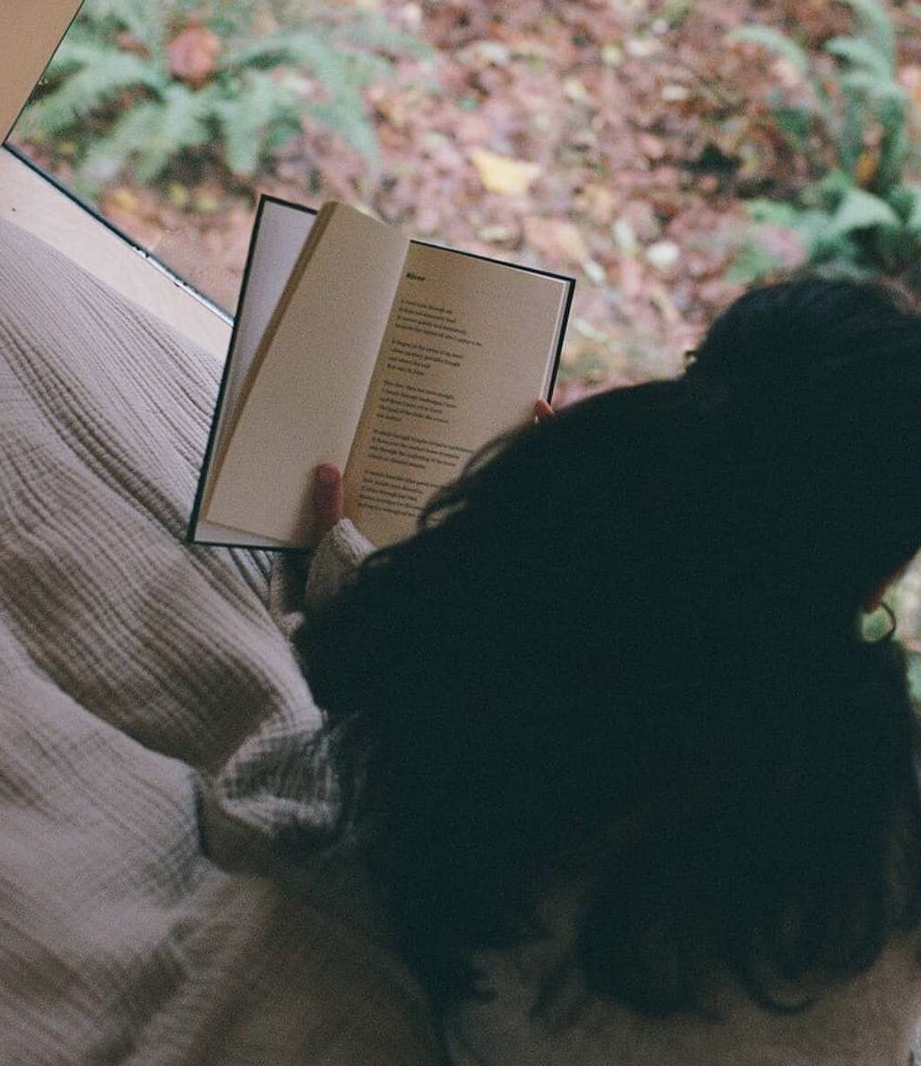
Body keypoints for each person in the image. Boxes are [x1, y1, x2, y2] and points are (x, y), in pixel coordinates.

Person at [291, 275, 921, 1065]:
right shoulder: (880, 772)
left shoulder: (544, 637)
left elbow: (376, 666)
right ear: (884, 571)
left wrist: (543, 522)